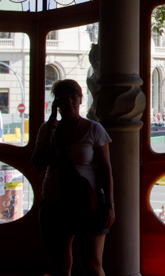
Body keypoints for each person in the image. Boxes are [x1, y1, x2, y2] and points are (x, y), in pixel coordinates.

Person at [31, 79, 115, 276]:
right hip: (55, 203)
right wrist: (50, 134)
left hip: (88, 203)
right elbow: (37, 164)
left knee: (92, 265)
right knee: (60, 267)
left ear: (80, 99)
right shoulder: (47, 129)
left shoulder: (94, 129)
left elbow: (105, 169)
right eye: (62, 98)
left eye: (73, 97)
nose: (68, 102)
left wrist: (110, 206)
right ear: (56, 103)